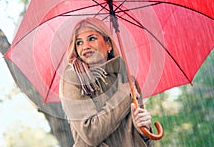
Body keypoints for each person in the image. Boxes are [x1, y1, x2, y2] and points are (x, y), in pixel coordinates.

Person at [59, 17, 155, 147]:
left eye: (92, 38)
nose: (85, 46)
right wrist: (123, 96)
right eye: (79, 42)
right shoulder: (73, 79)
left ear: (108, 44)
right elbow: (91, 134)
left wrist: (143, 131)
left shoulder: (128, 82)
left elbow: (146, 143)